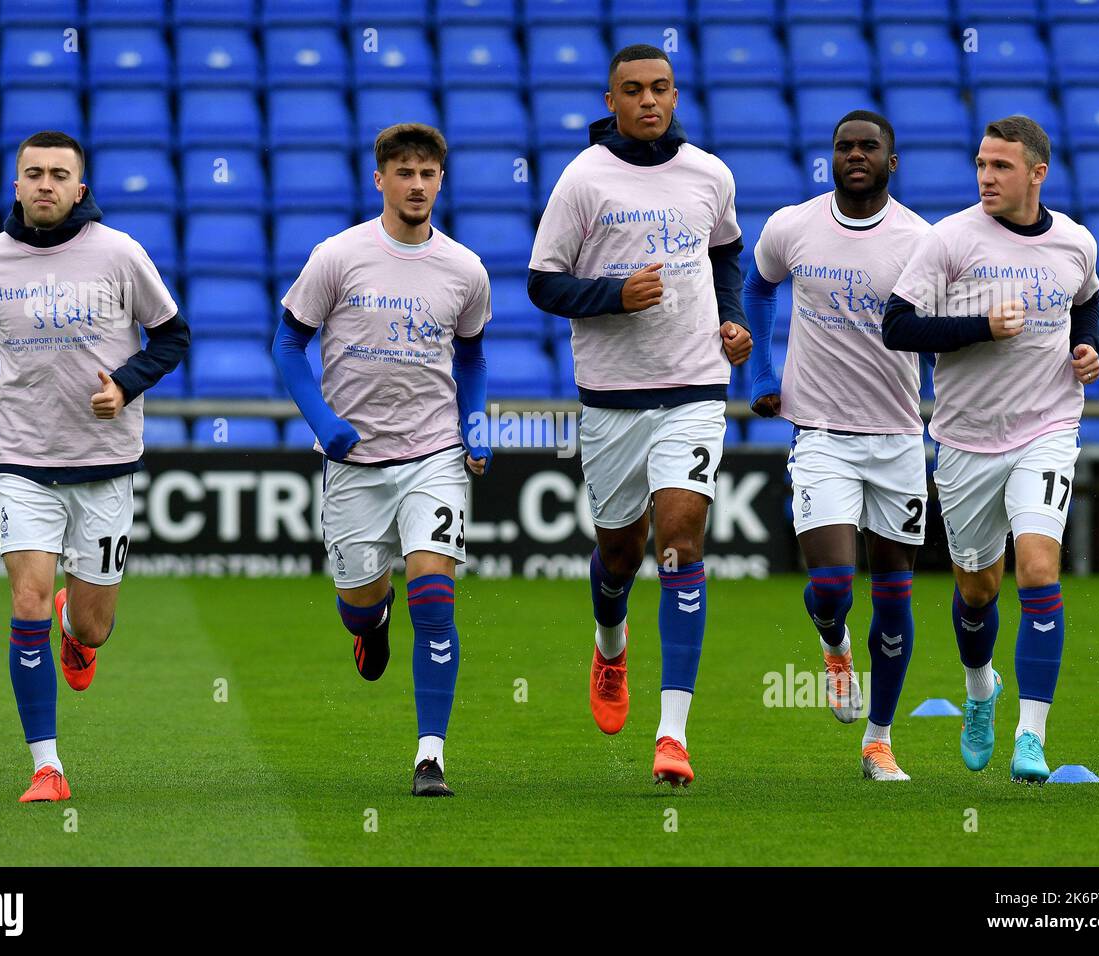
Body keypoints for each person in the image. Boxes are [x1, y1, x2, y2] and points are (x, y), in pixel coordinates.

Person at [0, 130, 190, 802]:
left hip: (105, 461)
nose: (45, 184)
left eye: (58, 174)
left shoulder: (119, 253)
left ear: (80, 188)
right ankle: (47, 766)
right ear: (16, 185)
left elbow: (173, 335)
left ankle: (78, 631)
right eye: (32, 173)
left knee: (92, 623)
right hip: (24, 458)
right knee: (27, 600)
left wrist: (124, 385)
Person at [528, 45, 751, 787]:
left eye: (660, 88)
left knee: (681, 545)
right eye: (633, 91)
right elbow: (543, 285)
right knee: (619, 556)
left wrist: (731, 318)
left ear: (676, 93)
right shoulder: (583, 179)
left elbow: (726, 253)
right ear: (612, 99)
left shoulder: (709, 173)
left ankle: (673, 736)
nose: (649, 101)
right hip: (612, 398)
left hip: (694, 388)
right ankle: (609, 644)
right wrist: (613, 296)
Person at [272, 123, 492, 797]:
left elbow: (473, 357)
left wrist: (476, 427)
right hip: (355, 463)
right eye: (404, 172)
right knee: (360, 605)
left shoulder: (465, 268)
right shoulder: (338, 257)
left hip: (433, 455)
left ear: (441, 181)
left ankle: (431, 756)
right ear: (381, 180)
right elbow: (288, 346)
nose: (417, 184)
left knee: (434, 591)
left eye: (428, 173)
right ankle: (373, 622)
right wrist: (324, 422)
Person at [884, 115, 1099, 783]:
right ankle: (981, 691)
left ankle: (1031, 737)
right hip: (968, 438)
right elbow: (898, 327)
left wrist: (1084, 349)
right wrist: (980, 327)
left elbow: (1086, 301)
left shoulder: (1075, 242)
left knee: (1037, 570)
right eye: (981, 164)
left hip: (1048, 428)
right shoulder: (949, 240)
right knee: (977, 591)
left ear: (1037, 173)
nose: (986, 176)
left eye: (1001, 166)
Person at [742, 112, 933, 780]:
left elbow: (946, 330)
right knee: (830, 584)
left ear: (892, 160)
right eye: (844, 146)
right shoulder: (793, 226)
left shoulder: (921, 240)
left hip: (901, 438)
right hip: (820, 433)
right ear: (831, 156)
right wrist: (762, 372)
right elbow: (757, 285)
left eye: (869, 147)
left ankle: (879, 742)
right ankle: (833, 643)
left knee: (894, 593)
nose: (855, 155)